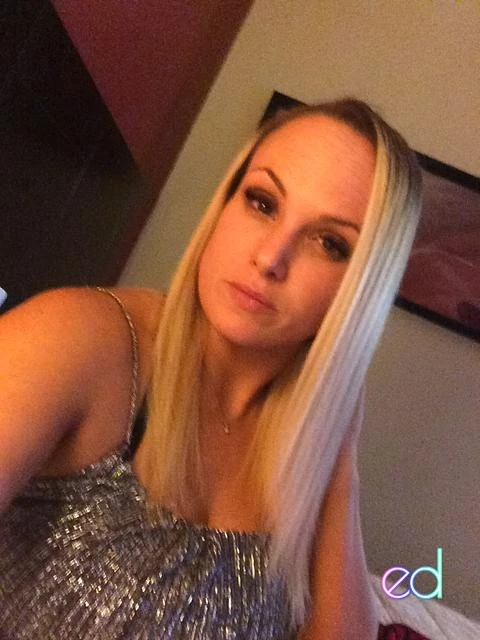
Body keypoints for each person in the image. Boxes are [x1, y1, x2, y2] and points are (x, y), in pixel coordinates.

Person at [0, 99, 429, 639]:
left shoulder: (302, 450)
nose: (270, 258)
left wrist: (339, 447)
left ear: (361, 293)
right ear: (226, 203)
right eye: (262, 203)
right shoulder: (82, 338)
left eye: (329, 243)